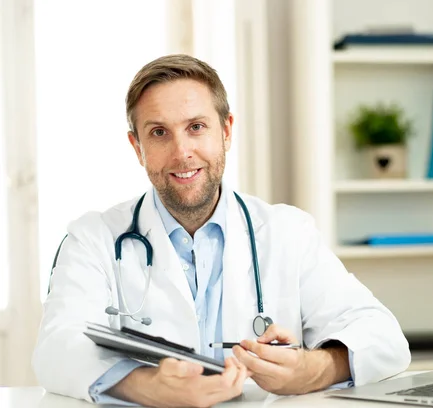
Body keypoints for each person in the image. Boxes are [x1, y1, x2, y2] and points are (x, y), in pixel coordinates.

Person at [32, 54, 411, 407]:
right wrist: (149, 386)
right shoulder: (93, 238)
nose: (182, 152)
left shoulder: (287, 232)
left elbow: (384, 338)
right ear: (137, 146)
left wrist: (309, 370)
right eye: (159, 133)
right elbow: (57, 348)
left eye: (196, 127)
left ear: (226, 131)